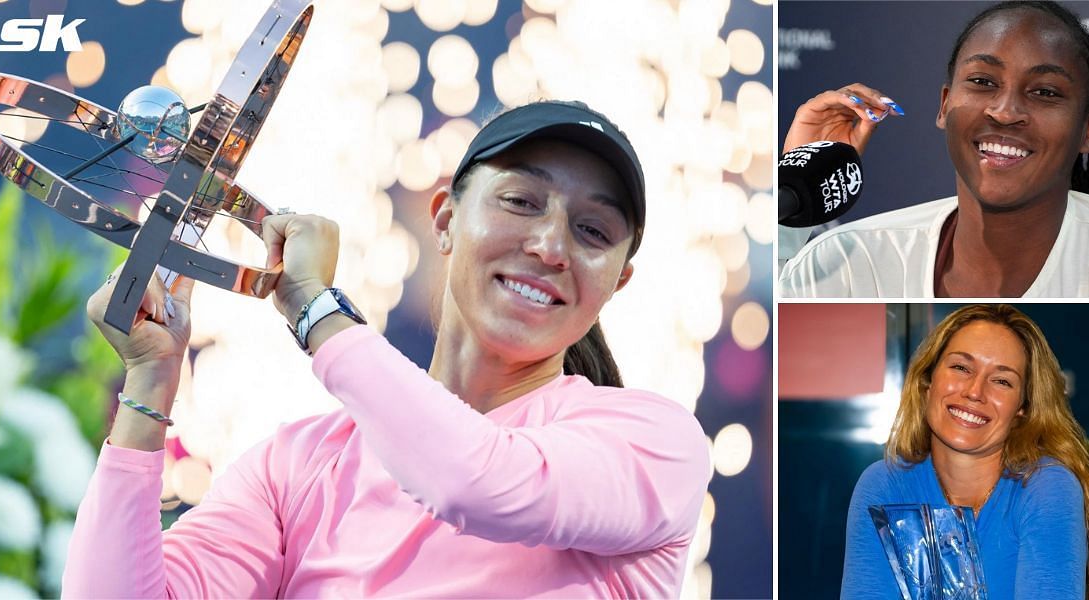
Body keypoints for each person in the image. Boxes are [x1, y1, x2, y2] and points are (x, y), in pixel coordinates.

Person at [62, 100, 712, 598]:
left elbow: (474, 482)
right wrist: (150, 378)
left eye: (592, 231)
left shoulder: (655, 442)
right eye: (521, 201)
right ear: (445, 220)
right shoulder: (298, 465)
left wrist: (315, 309)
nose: (550, 246)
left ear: (618, 280)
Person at [779, 1, 1089, 298]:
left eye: (1044, 92)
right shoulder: (849, 260)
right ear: (944, 105)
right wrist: (796, 190)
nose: (1004, 112)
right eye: (984, 82)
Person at [841, 304, 1089, 599]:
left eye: (1001, 381)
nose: (975, 391)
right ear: (928, 381)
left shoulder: (1046, 488)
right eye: (961, 367)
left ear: (1022, 408)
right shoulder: (883, 485)